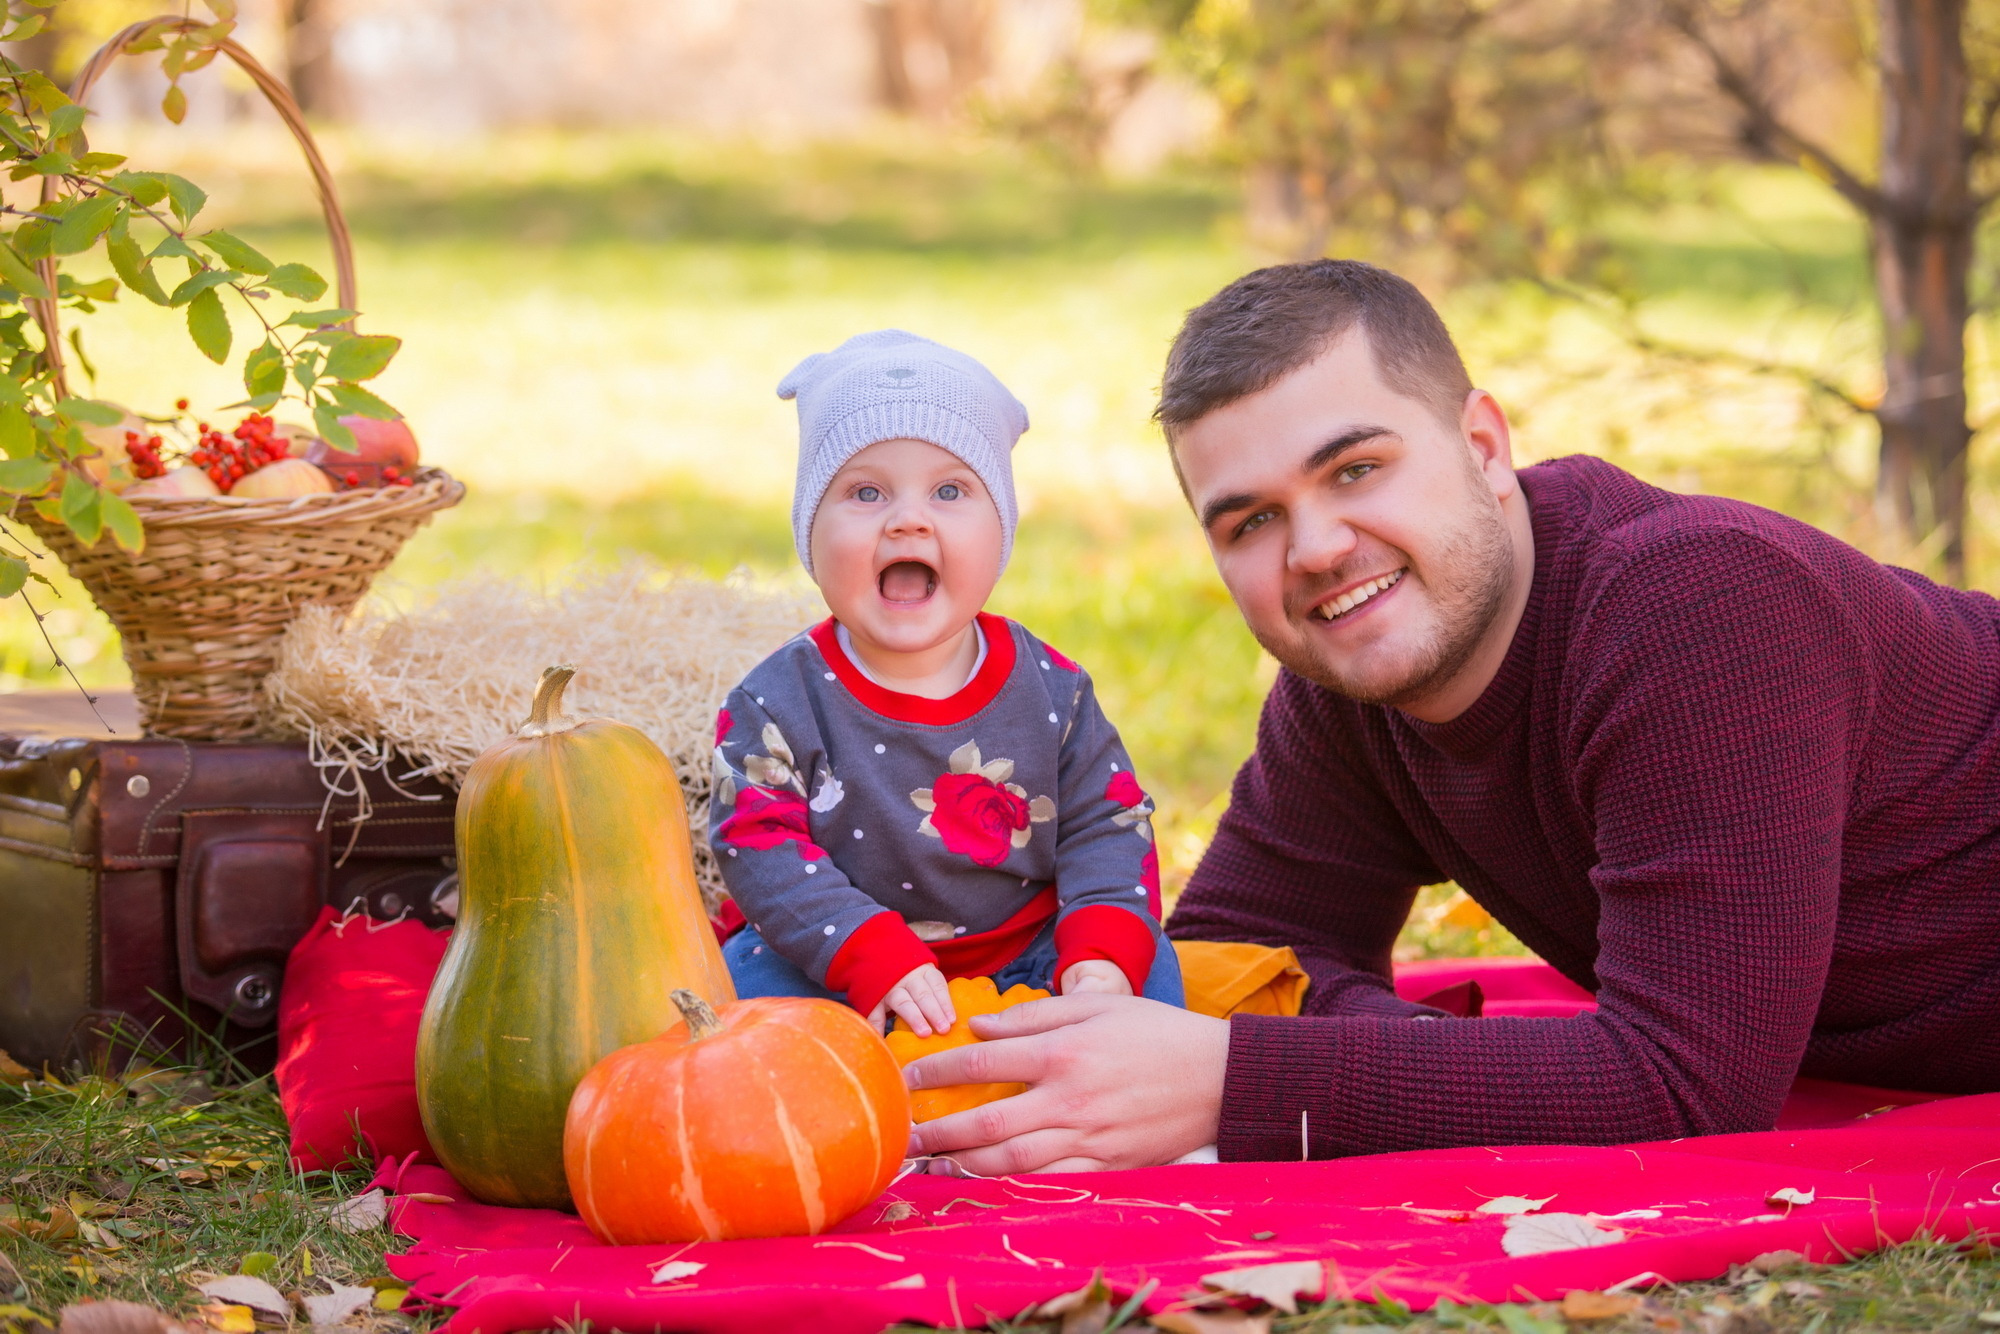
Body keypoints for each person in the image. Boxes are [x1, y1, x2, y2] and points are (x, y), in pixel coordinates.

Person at [903, 259, 2000, 1172]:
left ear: (1482, 447)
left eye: (1356, 468)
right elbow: (1239, 960)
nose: (1318, 547)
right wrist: (1382, 1051)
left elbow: (1688, 1086)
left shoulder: (1696, 610)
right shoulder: (1347, 687)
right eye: (1249, 522)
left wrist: (1234, 1080)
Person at [711, 329, 1185, 1040]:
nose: (909, 518)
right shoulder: (774, 703)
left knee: (1145, 968)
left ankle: (1140, 1110)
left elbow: (1106, 818)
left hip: (1031, 947)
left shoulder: (1052, 689)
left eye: (951, 490)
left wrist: (1100, 950)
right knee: (749, 994)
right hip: (841, 959)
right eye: (866, 491)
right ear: (811, 531)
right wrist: (861, 950)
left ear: (1001, 533)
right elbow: (756, 842)